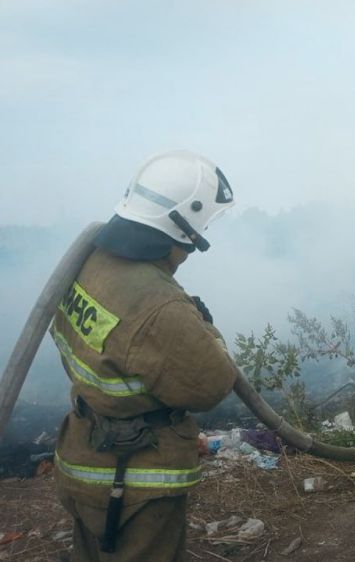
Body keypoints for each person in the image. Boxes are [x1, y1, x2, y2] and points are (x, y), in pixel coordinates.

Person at [52, 150, 239, 561]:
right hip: (135, 477)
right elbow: (213, 383)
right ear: (184, 225)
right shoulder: (159, 307)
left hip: (83, 455)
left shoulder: (91, 262)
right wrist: (206, 331)